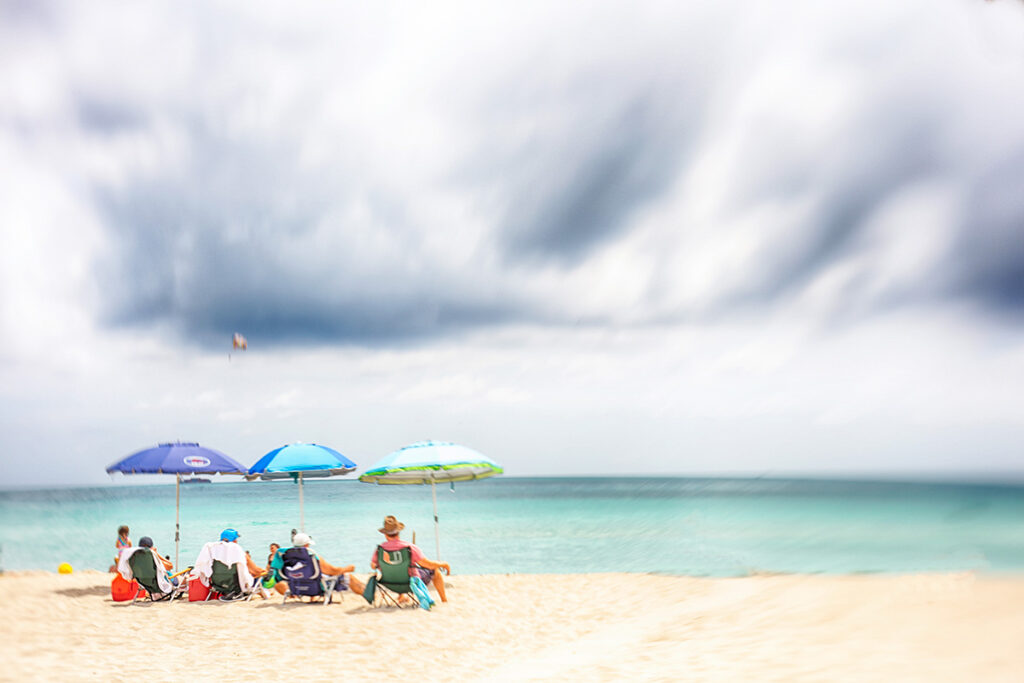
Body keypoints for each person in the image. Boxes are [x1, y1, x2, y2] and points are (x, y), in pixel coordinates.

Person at [371, 515, 450, 602]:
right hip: (411, 583)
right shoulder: (409, 547)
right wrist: (444, 564)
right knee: (434, 570)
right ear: (398, 532)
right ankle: (444, 600)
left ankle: (403, 595)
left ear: (385, 534)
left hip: (389, 583)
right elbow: (428, 564)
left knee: (397, 570)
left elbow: (373, 566)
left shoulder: (380, 549)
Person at [285, 532, 365, 598]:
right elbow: (333, 571)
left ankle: (367, 590)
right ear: (306, 545)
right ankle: (367, 594)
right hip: (316, 587)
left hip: (297, 587)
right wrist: (347, 569)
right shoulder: (313, 558)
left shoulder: (288, 558)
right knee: (347, 576)